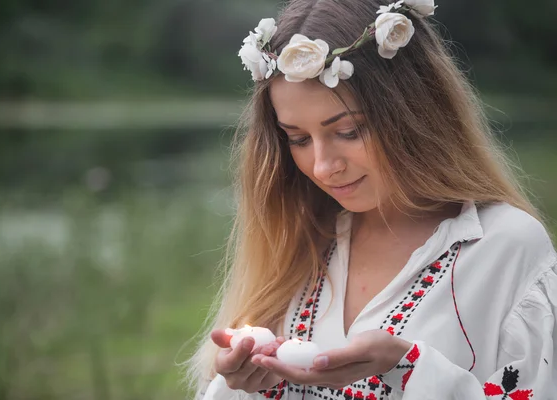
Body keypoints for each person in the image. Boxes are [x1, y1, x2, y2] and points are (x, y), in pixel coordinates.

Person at [186, 0, 557, 399]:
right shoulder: (299, 240)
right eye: (298, 139)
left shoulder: (505, 247)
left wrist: (409, 366)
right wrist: (243, 386)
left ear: (415, 112)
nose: (324, 167)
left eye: (348, 131)